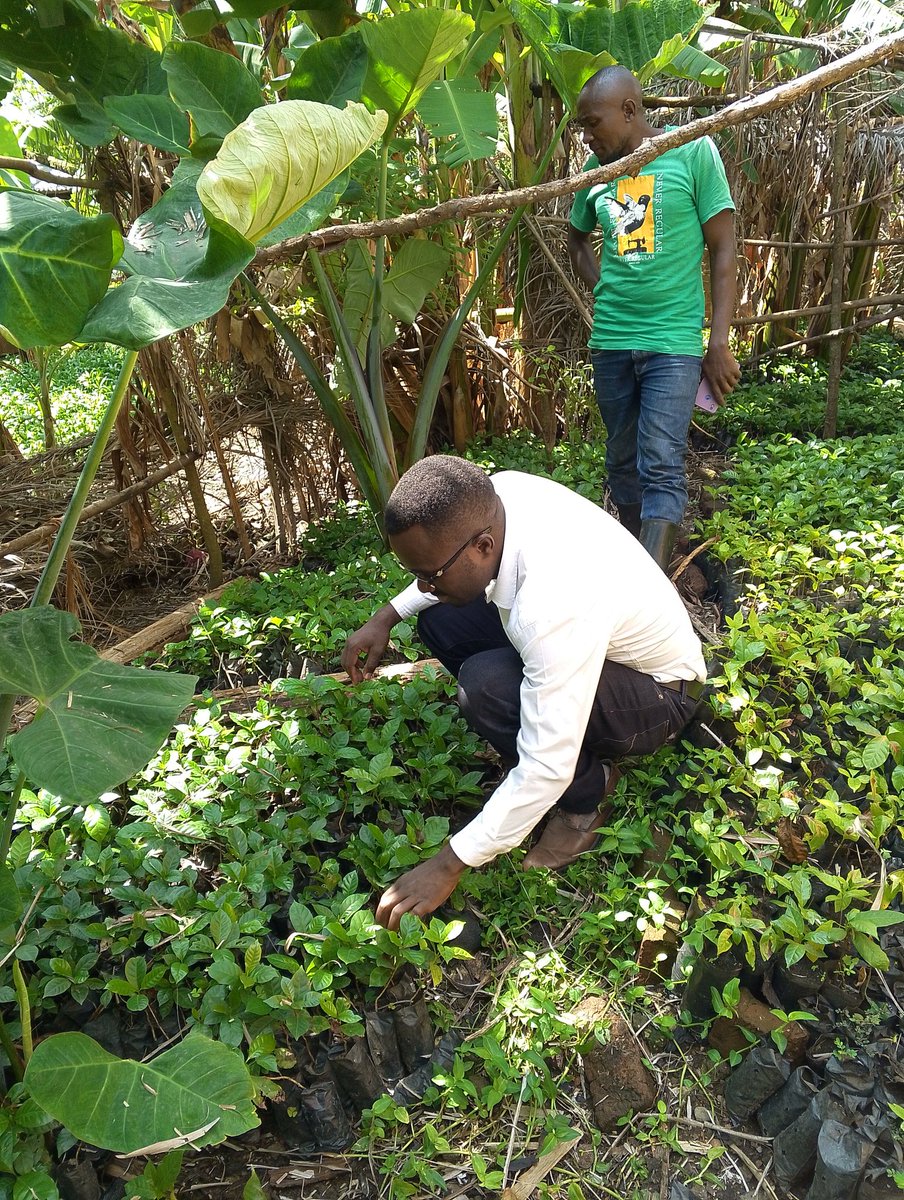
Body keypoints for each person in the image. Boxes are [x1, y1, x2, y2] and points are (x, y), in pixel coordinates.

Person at [341, 455, 706, 931]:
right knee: (441, 616)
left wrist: (448, 864)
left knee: (487, 687)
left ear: (483, 546)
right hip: (593, 647)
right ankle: (546, 726)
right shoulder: (498, 495)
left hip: (658, 697)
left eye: (429, 574)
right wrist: (386, 615)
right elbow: (445, 575)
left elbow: (544, 765)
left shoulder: (552, 601)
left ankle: (586, 800)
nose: (424, 584)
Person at [568, 65, 741, 571]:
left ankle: (653, 596)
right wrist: (604, 286)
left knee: (661, 462)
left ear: (629, 111)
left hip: (673, 342)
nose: (587, 135)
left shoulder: (693, 151)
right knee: (621, 461)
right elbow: (576, 238)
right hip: (612, 342)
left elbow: (725, 249)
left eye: (593, 122)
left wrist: (719, 341)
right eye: (581, 126)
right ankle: (636, 571)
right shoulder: (595, 173)